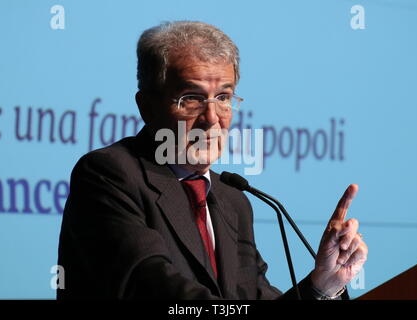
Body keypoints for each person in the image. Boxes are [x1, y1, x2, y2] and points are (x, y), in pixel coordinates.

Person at [57, 21, 368, 300]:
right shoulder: (109, 174)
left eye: (223, 98)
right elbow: (156, 290)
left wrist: (320, 286)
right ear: (147, 107)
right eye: (191, 98)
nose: (212, 118)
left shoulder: (232, 200)